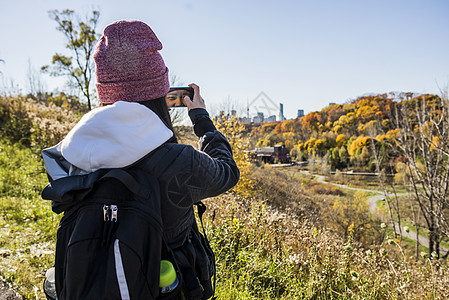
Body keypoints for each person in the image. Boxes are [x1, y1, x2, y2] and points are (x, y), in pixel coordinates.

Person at [42, 20, 240, 299]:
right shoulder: (179, 161)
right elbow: (227, 172)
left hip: (86, 283)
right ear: (161, 94)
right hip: (169, 287)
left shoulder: (67, 155)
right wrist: (201, 119)